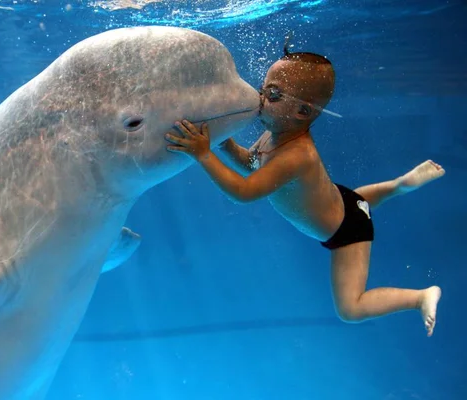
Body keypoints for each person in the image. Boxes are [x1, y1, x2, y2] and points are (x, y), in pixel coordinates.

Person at [164, 47, 445, 337]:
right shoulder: (275, 135)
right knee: (358, 201)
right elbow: (251, 163)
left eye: (271, 95)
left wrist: (203, 155)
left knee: (350, 309)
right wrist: (223, 142)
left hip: (347, 232)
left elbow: (244, 192)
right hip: (345, 201)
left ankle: (420, 296)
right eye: (263, 89)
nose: (259, 99)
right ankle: (402, 184)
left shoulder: (296, 155)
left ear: (302, 111)